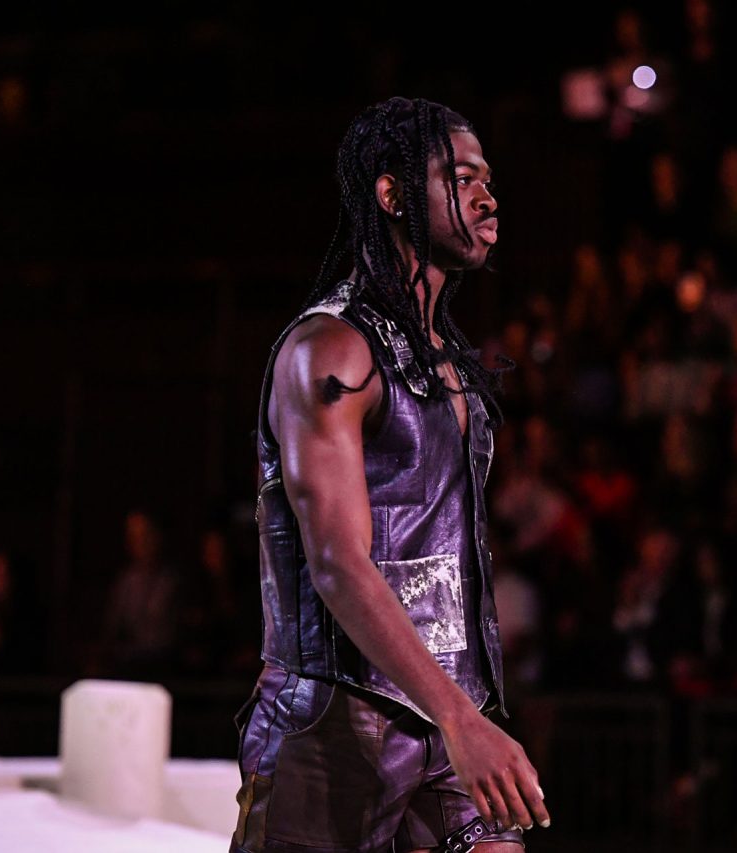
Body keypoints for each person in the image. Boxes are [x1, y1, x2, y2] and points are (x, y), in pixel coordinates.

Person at [230, 97, 549, 853]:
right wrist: (460, 718)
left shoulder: (448, 362)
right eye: (461, 179)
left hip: (446, 704)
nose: (487, 197)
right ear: (393, 194)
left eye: (489, 180)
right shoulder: (329, 349)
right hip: (336, 719)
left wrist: (463, 712)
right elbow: (338, 563)